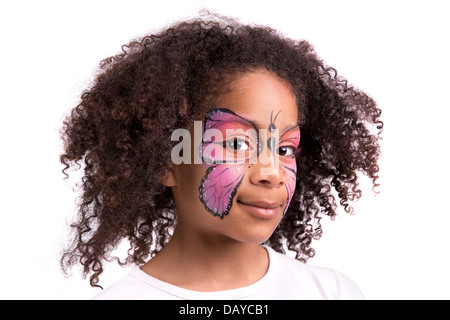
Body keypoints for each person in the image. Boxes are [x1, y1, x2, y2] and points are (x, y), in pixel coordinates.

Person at [60, 13, 382, 300]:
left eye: (284, 149)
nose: (272, 172)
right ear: (166, 160)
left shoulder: (332, 293)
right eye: (237, 145)